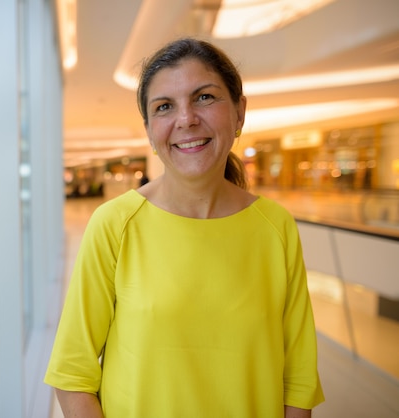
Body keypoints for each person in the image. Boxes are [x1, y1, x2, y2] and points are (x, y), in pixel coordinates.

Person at [45, 37, 324, 417]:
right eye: (164, 106)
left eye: (205, 97)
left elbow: (299, 379)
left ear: (239, 113)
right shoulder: (115, 225)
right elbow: (72, 375)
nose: (186, 119)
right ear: (149, 130)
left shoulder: (275, 227)